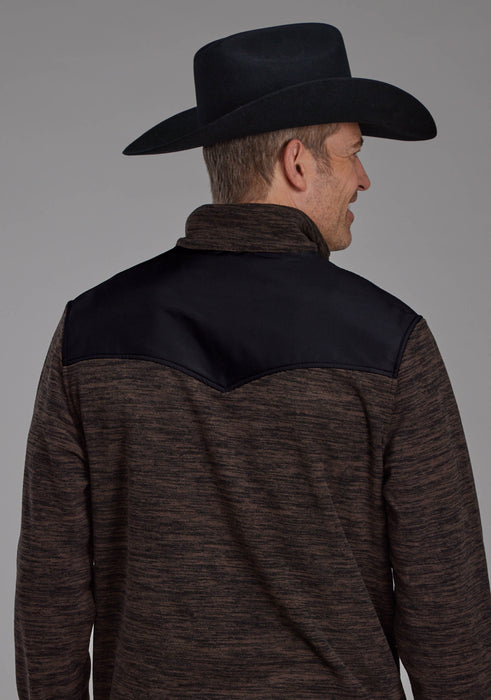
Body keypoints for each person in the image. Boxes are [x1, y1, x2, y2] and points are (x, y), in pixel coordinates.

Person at [14, 22, 491, 699]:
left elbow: (50, 601)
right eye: (353, 153)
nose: (363, 179)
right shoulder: (390, 342)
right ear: (297, 163)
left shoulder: (89, 333)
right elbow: (448, 619)